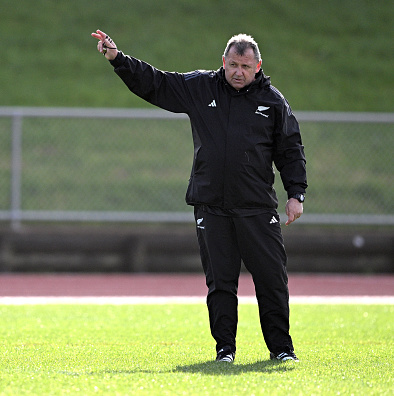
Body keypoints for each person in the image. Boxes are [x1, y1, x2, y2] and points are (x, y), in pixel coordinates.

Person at [92, 29, 307, 363]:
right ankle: (225, 350)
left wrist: (297, 194)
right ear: (223, 62)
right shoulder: (201, 87)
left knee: (272, 280)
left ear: (258, 67)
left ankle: (281, 349)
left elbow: (291, 149)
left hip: (257, 208)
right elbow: (157, 83)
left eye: (246, 66)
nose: (238, 72)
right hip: (212, 205)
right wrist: (118, 59)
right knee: (221, 283)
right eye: (233, 64)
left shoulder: (273, 101)